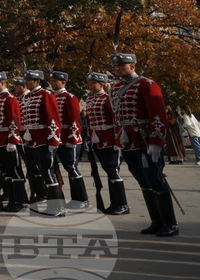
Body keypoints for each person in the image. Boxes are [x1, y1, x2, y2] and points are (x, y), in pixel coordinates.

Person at [110, 52, 178, 237]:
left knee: (155, 179)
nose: (117, 69)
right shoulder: (115, 88)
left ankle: (170, 223)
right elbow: (117, 117)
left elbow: (157, 115)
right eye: (116, 66)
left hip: (145, 140)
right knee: (143, 181)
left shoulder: (146, 84)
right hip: (128, 142)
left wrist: (156, 142)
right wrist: (117, 141)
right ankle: (156, 221)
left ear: (132, 66)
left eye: (121, 66)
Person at [19, 70, 64, 217]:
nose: (27, 82)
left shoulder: (46, 95)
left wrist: (53, 139)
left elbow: (53, 119)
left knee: (48, 172)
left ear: (38, 81)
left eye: (30, 80)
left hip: (44, 140)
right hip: (33, 140)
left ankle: (58, 208)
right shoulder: (29, 97)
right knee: (43, 173)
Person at [84, 72, 129, 215]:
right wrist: (89, 138)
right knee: (107, 171)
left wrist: (118, 141)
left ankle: (122, 204)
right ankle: (114, 203)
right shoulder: (90, 100)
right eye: (89, 83)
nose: (90, 86)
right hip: (97, 140)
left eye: (93, 83)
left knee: (113, 171)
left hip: (110, 140)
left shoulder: (107, 99)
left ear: (101, 84)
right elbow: (90, 122)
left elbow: (117, 120)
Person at [49, 71, 89, 210]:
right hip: (56, 139)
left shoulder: (69, 97)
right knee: (55, 168)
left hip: (68, 139)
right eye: (51, 81)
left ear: (63, 82)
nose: (52, 83)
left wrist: (73, 138)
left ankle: (81, 199)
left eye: (55, 81)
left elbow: (75, 120)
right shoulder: (52, 97)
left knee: (71, 168)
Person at [0, 73, 27, 212]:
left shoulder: (10, 99)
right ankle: (11, 200)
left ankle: (20, 201)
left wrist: (12, 139)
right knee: (6, 172)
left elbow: (14, 120)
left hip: (9, 140)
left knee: (15, 171)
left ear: (3, 83)